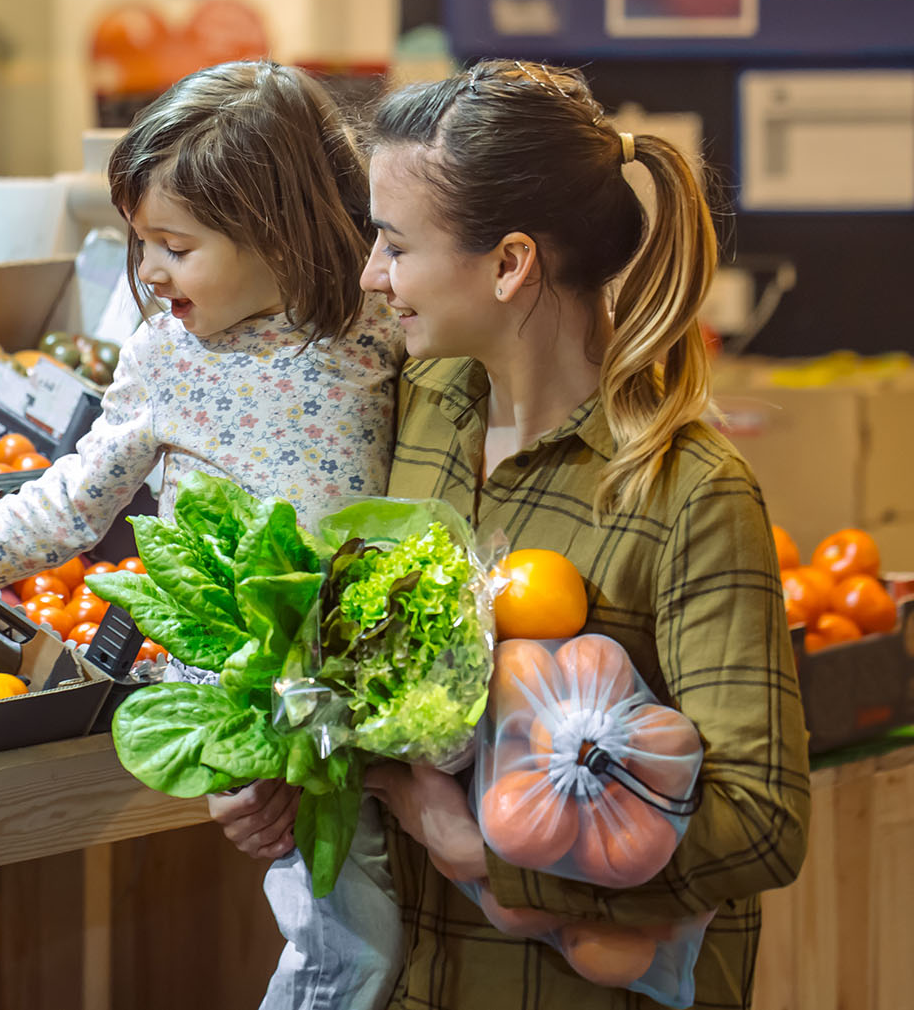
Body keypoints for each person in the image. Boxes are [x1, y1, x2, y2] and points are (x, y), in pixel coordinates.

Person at [212, 58, 812, 1009]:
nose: (373, 275)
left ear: (509, 263)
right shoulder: (423, 404)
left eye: (396, 246)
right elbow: (394, 688)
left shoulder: (686, 490)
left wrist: (485, 848)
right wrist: (295, 768)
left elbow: (763, 821)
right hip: (416, 980)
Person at [0, 59, 407, 1010]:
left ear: (275, 232)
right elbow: (78, 495)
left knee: (389, 907)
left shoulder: (374, 323)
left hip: (363, 664)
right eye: (139, 240)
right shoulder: (168, 357)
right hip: (248, 680)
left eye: (174, 246)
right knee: (350, 937)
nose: (147, 270)